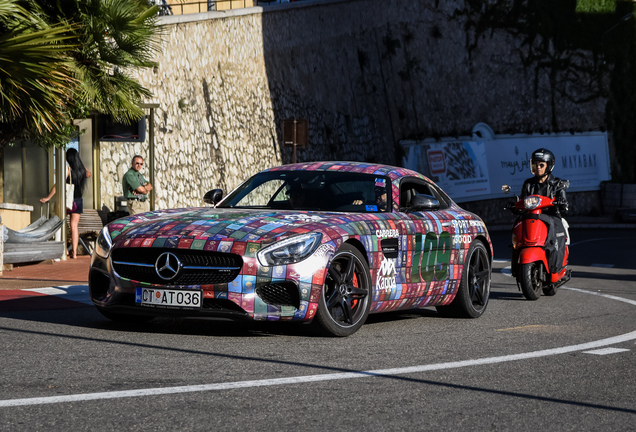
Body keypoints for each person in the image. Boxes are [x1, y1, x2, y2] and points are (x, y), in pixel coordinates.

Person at [40, 148, 92, 259]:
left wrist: (48, 197)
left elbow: (58, 185)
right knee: (74, 226)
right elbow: (89, 174)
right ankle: (74, 252)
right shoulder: (82, 170)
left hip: (68, 201)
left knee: (61, 224)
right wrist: (81, 166)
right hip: (78, 201)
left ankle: (63, 250)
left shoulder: (68, 169)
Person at [520, 148, 568, 217]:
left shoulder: (557, 184)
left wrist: (562, 204)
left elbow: (564, 210)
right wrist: (515, 207)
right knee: (518, 225)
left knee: (559, 227)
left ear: (548, 166)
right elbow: (522, 204)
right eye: (535, 164)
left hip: (552, 217)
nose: (538, 167)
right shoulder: (528, 184)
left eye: (541, 165)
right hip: (531, 217)